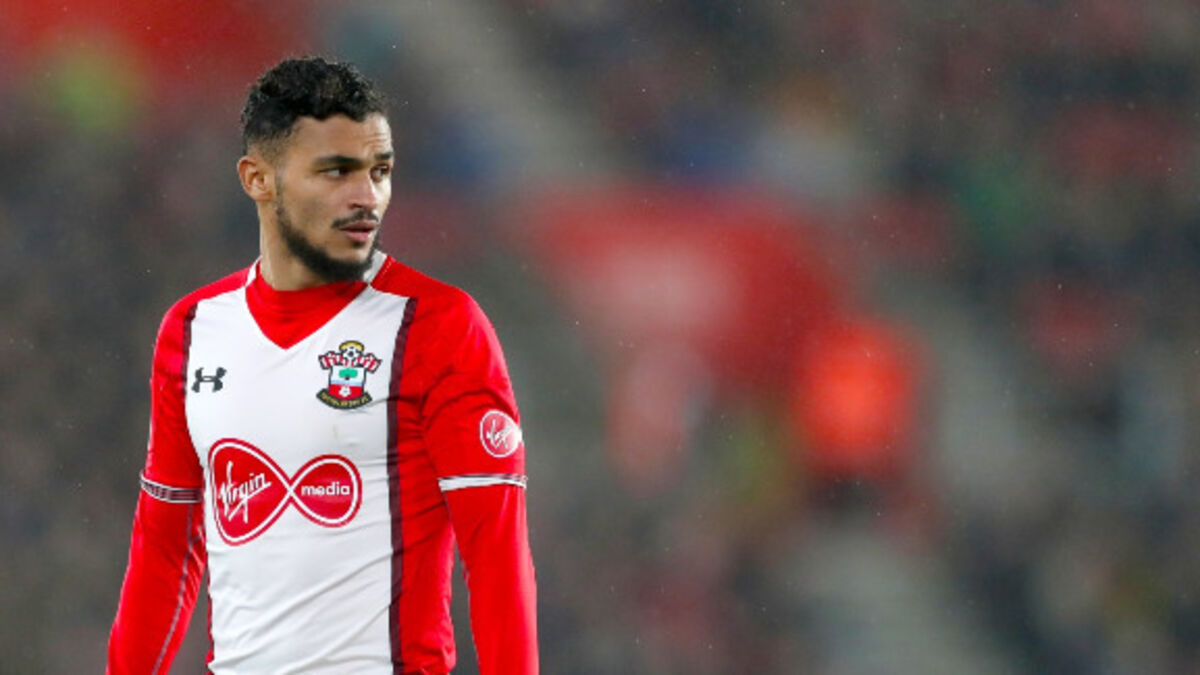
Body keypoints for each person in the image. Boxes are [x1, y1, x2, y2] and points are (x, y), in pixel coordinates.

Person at [107, 56, 538, 674]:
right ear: (258, 179)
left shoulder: (440, 327)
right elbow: (165, 548)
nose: (367, 197)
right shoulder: (194, 330)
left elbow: (496, 558)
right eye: (336, 171)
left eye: (379, 171)